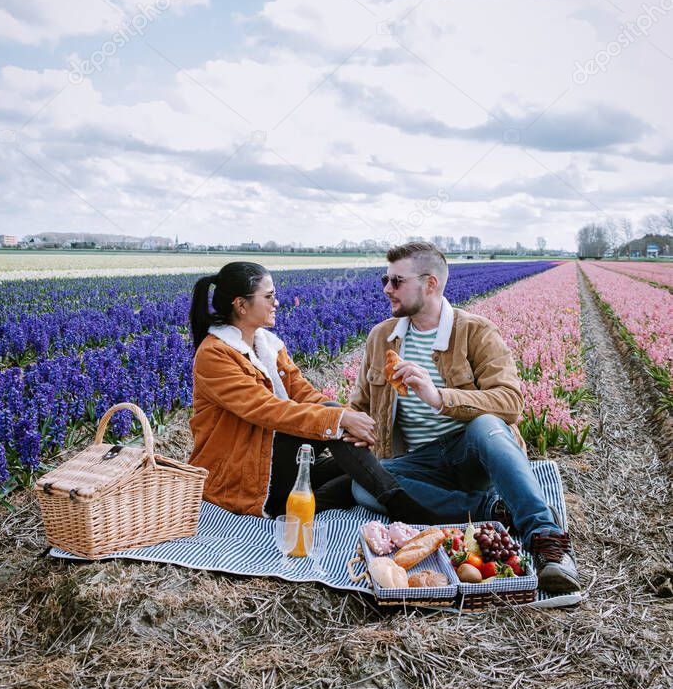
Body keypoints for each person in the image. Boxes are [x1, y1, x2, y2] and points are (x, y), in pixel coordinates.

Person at [346, 241, 580, 594]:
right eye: (385, 279)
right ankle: (493, 510)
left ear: (430, 284)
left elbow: (510, 401)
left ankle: (547, 542)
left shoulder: (475, 331)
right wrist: (349, 425)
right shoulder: (382, 338)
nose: (386, 289)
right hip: (417, 461)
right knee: (363, 483)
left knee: (487, 424)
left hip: (472, 455)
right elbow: (360, 405)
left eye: (396, 281)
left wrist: (440, 397)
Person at [188, 262, 433, 521]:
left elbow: (304, 393)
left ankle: (292, 509)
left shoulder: (268, 347)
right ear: (241, 305)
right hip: (241, 476)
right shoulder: (215, 355)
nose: (277, 303)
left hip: (272, 462)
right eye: (269, 296)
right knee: (340, 433)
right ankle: (402, 505)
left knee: (359, 470)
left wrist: (346, 417)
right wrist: (338, 418)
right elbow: (266, 409)